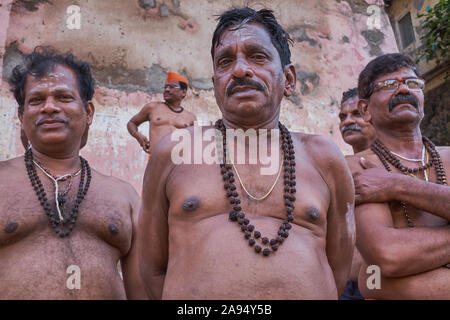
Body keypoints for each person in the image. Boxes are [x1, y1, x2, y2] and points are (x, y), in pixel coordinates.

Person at [138, 7, 355, 299]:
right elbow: (152, 270)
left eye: (258, 56)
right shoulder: (174, 153)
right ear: (215, 85)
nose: (240, 70)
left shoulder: (325, 158)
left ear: (288, 79)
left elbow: (338, 266)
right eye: (225, 61)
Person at [0, 46, 147, 299]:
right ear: (22, 116)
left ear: (88, 112)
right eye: (36, 100)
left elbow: (141, 290)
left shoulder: (124, 196)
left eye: (63, 97)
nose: (49, 107)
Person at [347, 53, 449, 299]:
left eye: (413, 84)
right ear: (365, 109)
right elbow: (388, 257)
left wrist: (396, 185)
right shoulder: (357, 166)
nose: (403, 88)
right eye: (389, 85)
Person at [338, 87, 376, 300]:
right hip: (342, 284)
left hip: (380, 280)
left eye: (356, 114)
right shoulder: (335, 167)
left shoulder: (397, 168)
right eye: (343, 116)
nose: (347, 121)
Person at [127, 71, 196, 155]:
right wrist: (138, 136)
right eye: (165, 87)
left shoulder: (191, 118)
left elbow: (197, 142)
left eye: (172, 87)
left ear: (183, 92)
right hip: (156, 161)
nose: (167, 89)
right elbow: (131, 123)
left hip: (179, 163)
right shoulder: (152, 108)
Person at [339, 88, 376, 154]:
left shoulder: (398, 160)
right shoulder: (341, 163)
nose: (347, 121)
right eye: (343, 117)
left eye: (358, 114)